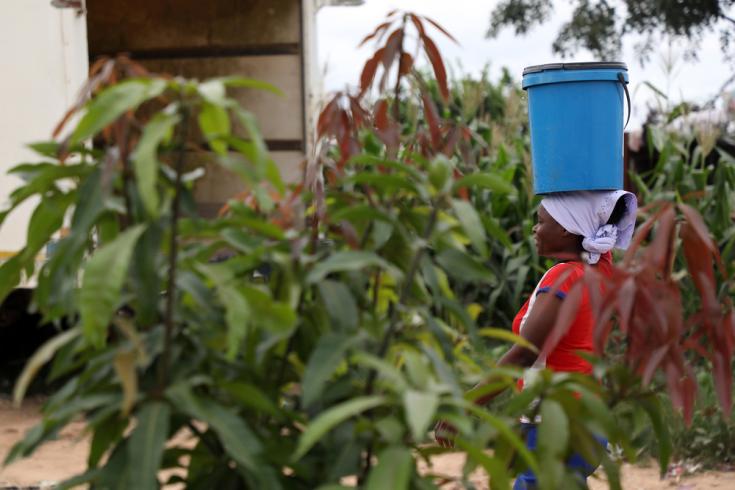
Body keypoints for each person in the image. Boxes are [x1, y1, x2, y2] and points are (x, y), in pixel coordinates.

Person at [434, 189, 638, 489]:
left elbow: (524, 355)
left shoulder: (565, 278)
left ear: (568, 229)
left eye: (541, 222)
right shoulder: (599, 272)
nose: (534, 229)